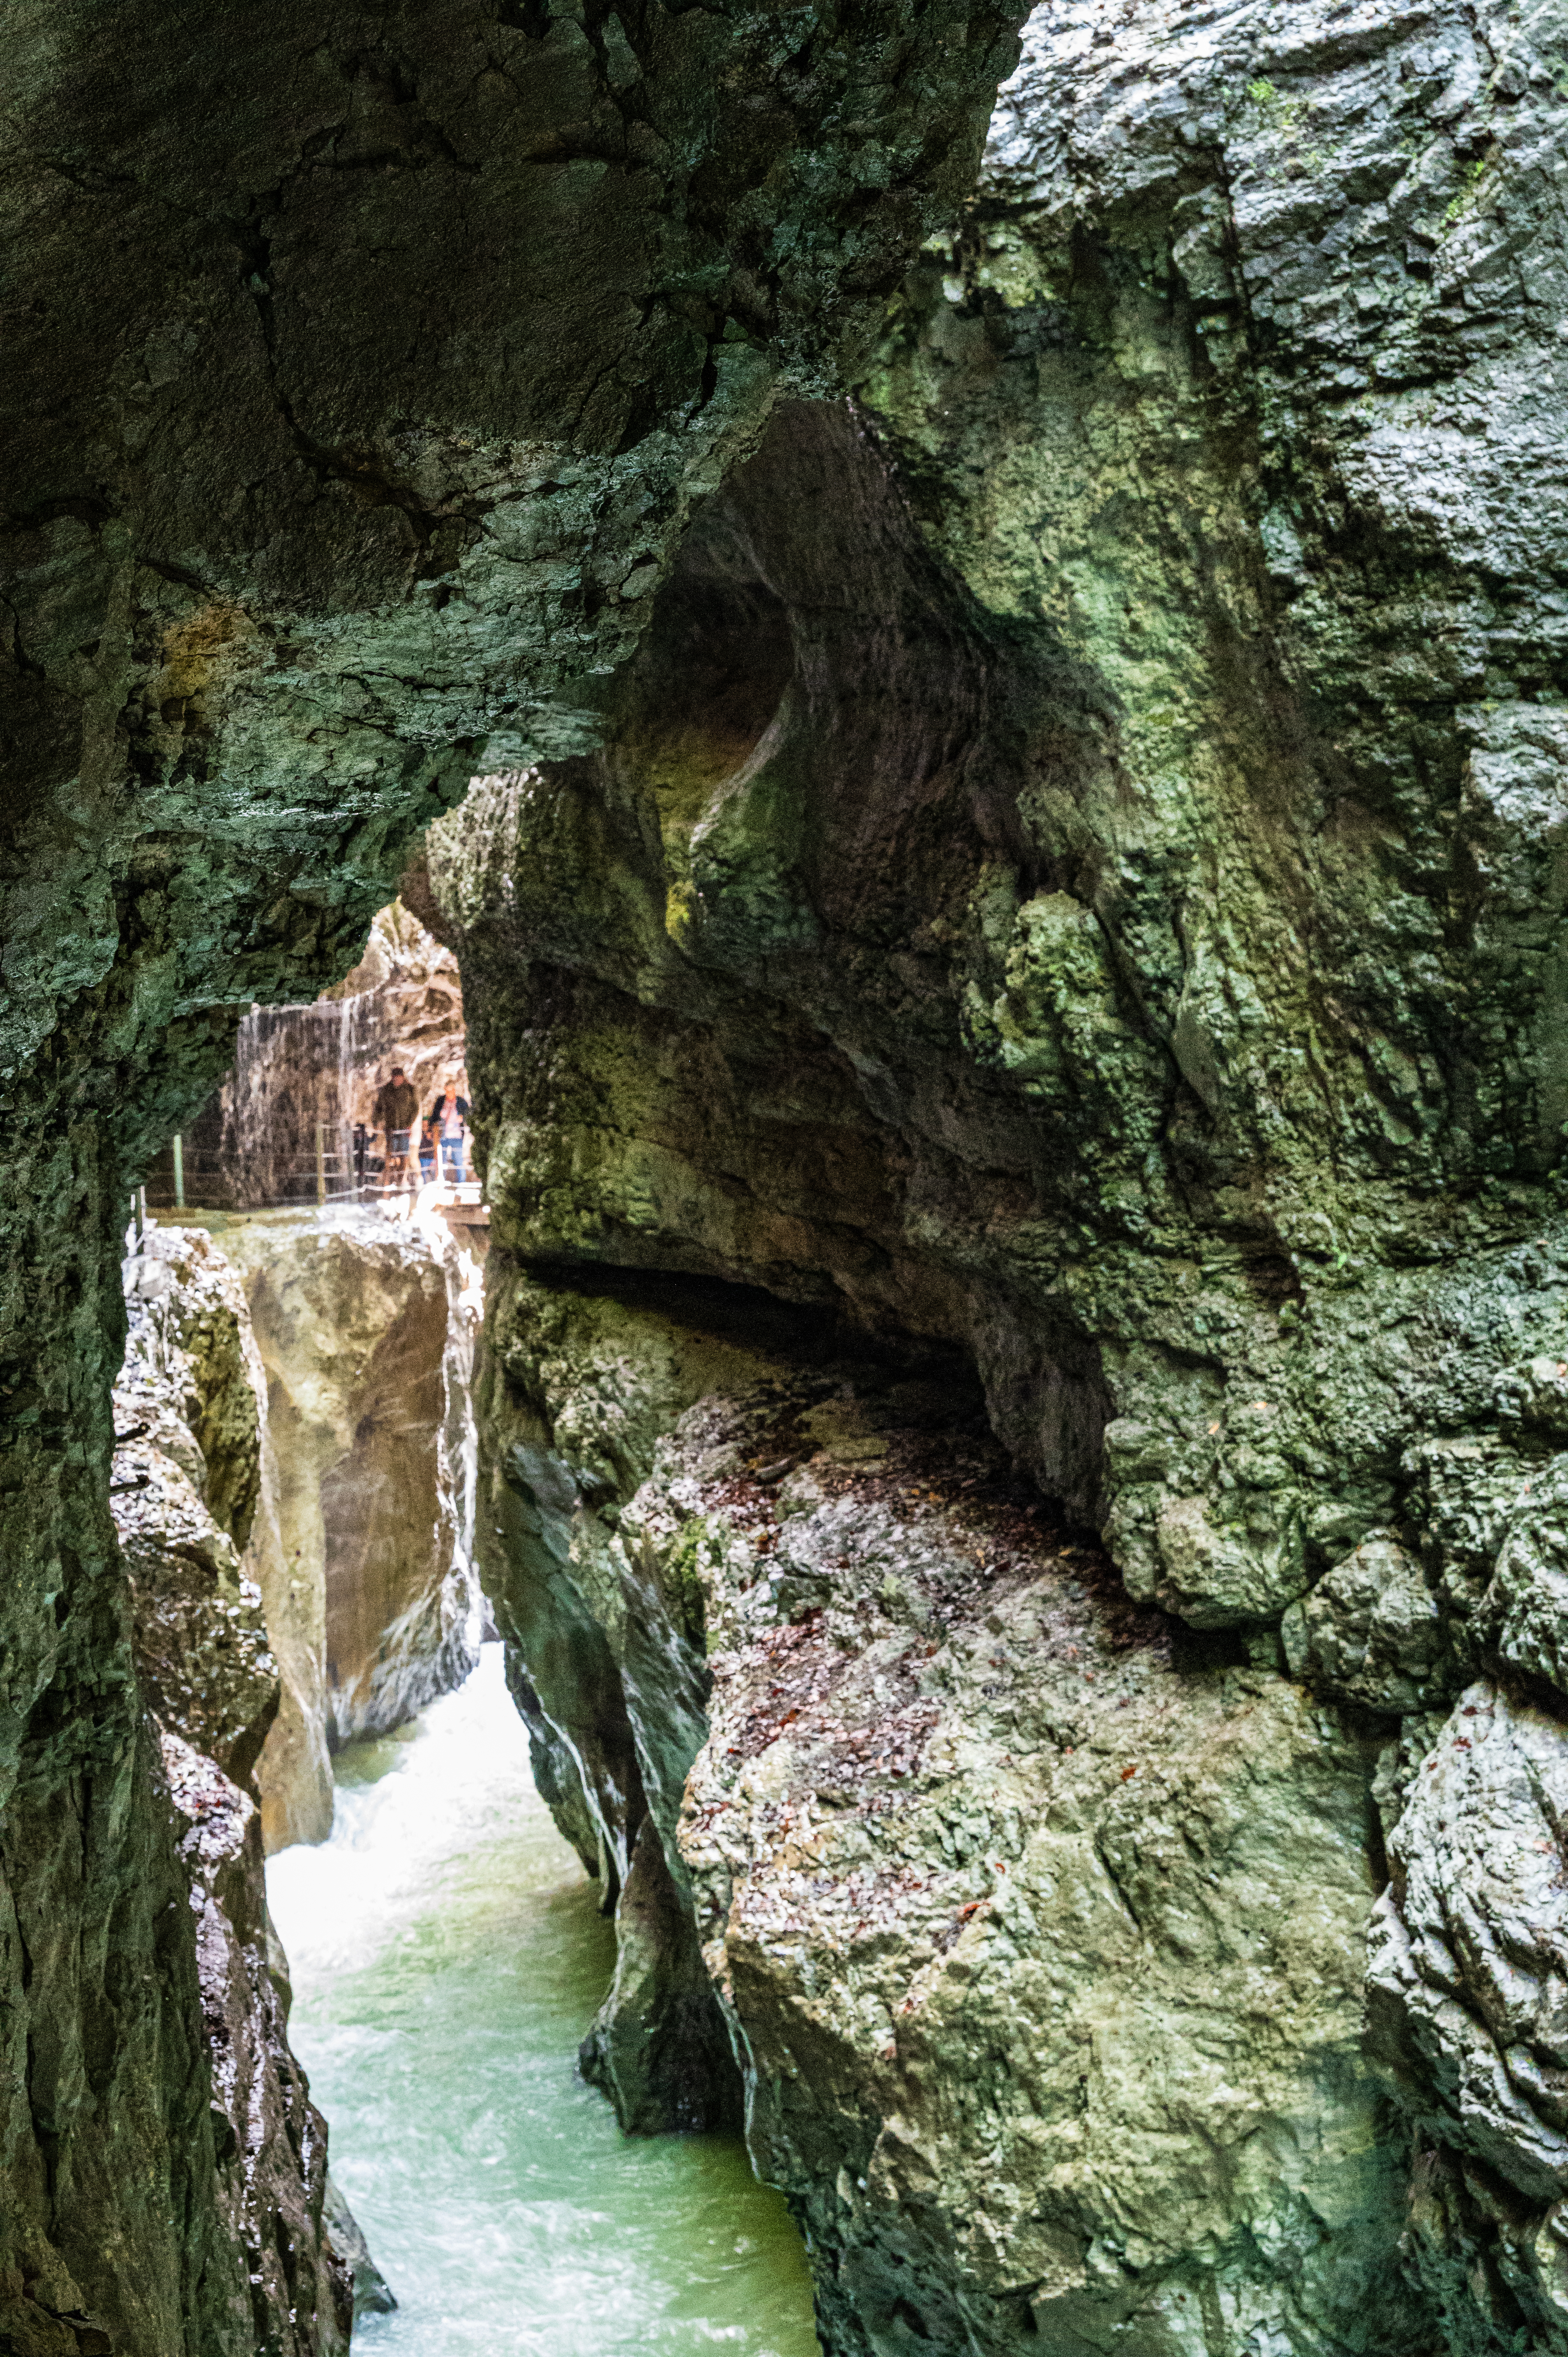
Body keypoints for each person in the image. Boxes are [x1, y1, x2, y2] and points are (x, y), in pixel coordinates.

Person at [371, 1067, 420, 1191]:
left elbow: (415, 1108)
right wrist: (376, 1121)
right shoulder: (386, 1090)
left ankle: (401, 1179)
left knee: (404, 1154)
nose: (397, 1080)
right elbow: (380, 1106)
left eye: (398, 1078)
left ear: (402, 1078)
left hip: (404, 1127)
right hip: (391, 1128)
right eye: (394, 1078)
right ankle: (388, 1182)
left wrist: (409, 1123)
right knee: (390, 1154)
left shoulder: (410, 1089)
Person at [430, 1077, 470, 1184]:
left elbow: (469, 1115)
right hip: (444, 1135)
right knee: (441, 1160)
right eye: (447, 1091)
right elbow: (434, 1115)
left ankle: (462, 1183)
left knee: (458, 1159)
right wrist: (431, 1128)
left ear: (455, 1091)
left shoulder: (461, 1101)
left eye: (451, 1091)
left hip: (457, 1136)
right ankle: (440, 1181)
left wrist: (463, 1118)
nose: (449, 1093)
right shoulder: (441, 1101)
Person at [417, 1113, 438, 1188]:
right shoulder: (419, 1133)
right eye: (424, 1122)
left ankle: (434, 1186)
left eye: (426, 1122)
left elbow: (436, 1145)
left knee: (432, 1173)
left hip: (431, 1158)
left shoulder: (432, 1133)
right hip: (422, 1158)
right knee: (423, 1172)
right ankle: (425, 1187)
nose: (425, 1124)